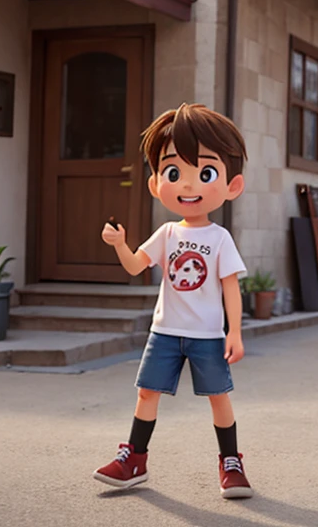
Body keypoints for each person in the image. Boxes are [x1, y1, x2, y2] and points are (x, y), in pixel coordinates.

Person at [93, 103, 254, 499]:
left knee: (219, 396)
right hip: (164, 332)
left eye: (205, 173)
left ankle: (230, 462)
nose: (187, 185)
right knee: (146, 393)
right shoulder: (166, 233)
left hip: (206, 336)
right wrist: (119, 244)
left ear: (232, 185)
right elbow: (134, 267)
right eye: (172, 172)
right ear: (155, 182)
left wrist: (235, 331)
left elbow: (231, 287)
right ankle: (134, 458)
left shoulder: (220, 238)